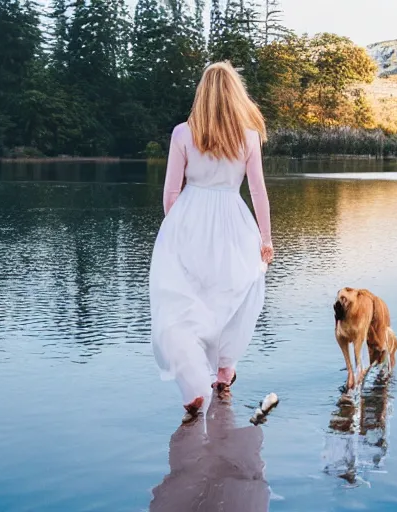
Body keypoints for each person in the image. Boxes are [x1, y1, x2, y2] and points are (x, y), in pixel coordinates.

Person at [149, 61, 273, 423]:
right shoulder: (248, 136)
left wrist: (178, 231)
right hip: (235, 224)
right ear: (236, 95)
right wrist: (265, 238)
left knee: (188, 300)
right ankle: (223, 373)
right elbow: (258, 193)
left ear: (202, 94)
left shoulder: (183, 134)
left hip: (189, 221)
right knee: (232, 296)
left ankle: (195, 385)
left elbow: (171, 194)